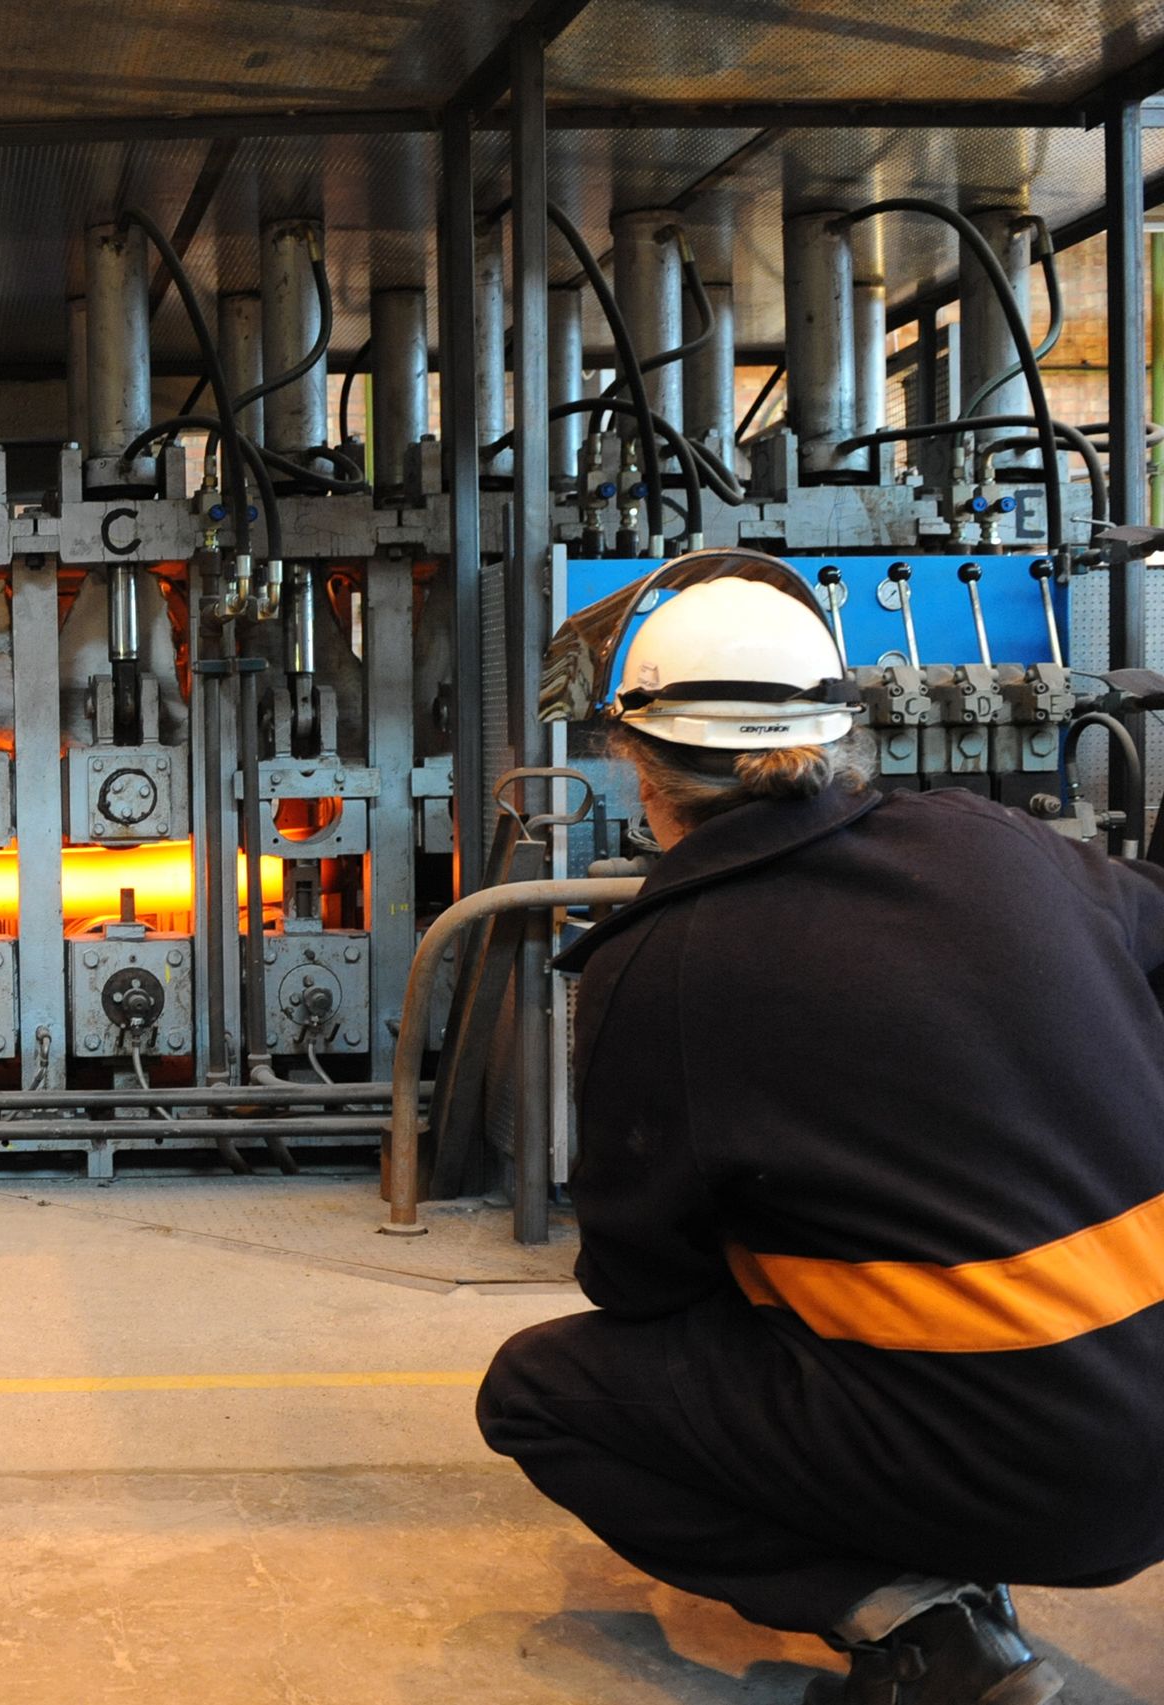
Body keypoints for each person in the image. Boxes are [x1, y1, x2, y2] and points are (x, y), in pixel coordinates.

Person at [475, 560, 1164, 1705]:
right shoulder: (998, 842)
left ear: (639, 766)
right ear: (838, 732)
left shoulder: (660, 964)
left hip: (1043, 1478)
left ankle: (920, 1620)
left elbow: (640, 1282)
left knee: (540, 1392)